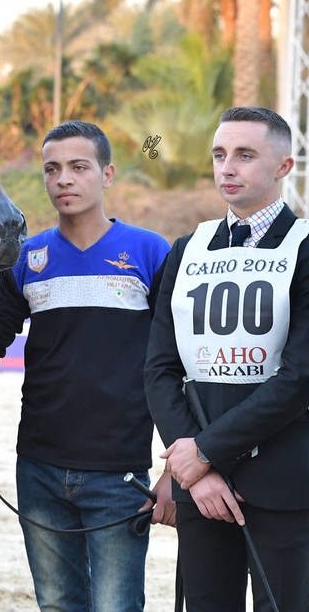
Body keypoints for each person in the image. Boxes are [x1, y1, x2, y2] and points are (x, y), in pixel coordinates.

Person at [0, 121, 174, 611]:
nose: (64, 180)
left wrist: (174, 472)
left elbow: (172, 367)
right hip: (39, 473)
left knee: (116, 606)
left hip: (120, 477)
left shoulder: (150, 252)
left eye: (79, 167)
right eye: (52, 169)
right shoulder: (26, 259)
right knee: (56, 605)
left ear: (108, 174)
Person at [145, 106, 309, 611]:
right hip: (200, 486)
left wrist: (205, 452)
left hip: (285, 485)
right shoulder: (185, 250)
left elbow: (301, 378)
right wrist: (196, 464)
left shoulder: (304, 249)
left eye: (244, 155)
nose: (227, 168)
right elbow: (160, 368)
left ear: (284, 167)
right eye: (219, 155)